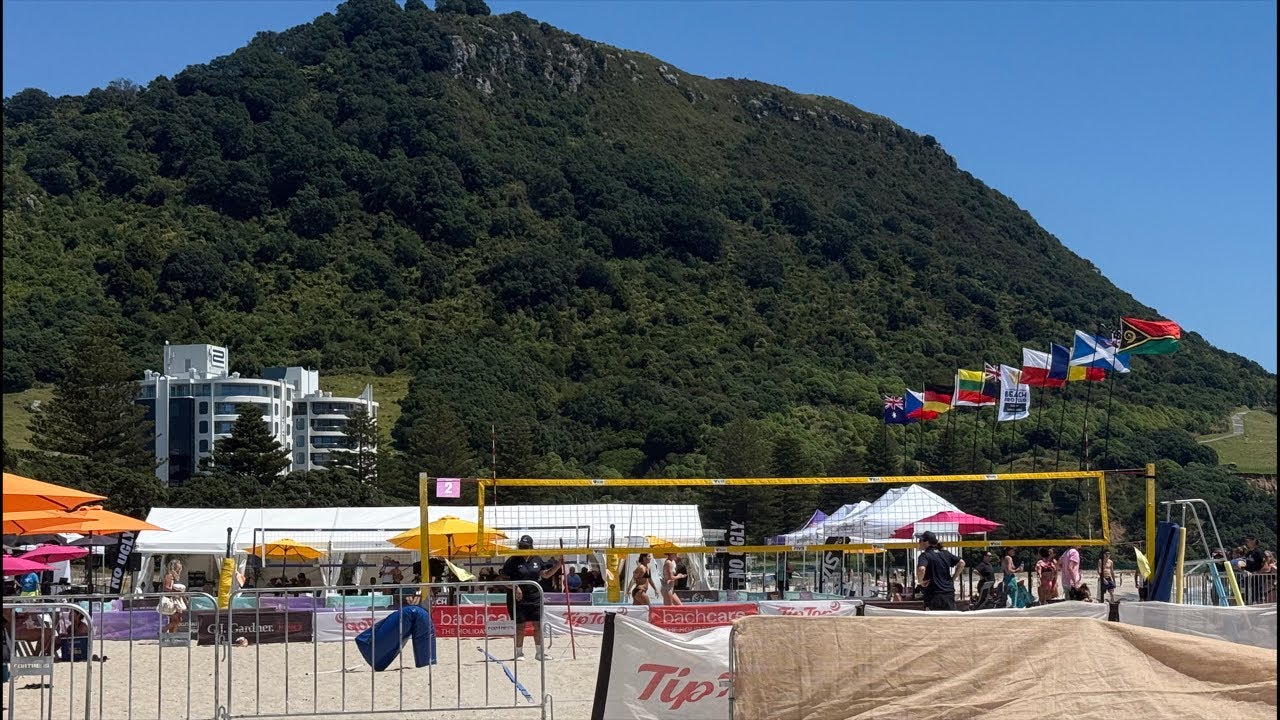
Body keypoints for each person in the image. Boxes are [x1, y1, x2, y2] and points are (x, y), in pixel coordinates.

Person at [500, 535, 558, 661]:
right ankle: (519, 653)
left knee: (538, 625)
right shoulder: (512, 560)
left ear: (531, 547)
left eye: (525, 547)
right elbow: (503, 579)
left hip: (534, 597)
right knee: (520, 627)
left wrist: (558, 565)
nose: (523, 548)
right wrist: (515, 587)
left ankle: (539, 653)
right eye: (521, 546)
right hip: (517, 598)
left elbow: (546, 574)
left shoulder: (536, 559)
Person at [915, 531, 964, 611]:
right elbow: (962, 563)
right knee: (950, 617)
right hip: (948, 593)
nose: (919, 542)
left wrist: (920, 581)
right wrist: (953, 578)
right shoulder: (945, 553)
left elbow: (921, 569)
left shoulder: (925, 555)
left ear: (927, 542)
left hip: (934, 594)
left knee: (934, 618)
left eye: (920, 540)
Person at [161, 559, 187, 634]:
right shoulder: (170, 575)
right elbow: (167, 588)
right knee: (177, 620)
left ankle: (171, 635)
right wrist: (178, 592)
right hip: (172, 601)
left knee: (176, 620)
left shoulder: (175, 576)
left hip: (176, 600)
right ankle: (163, 630)